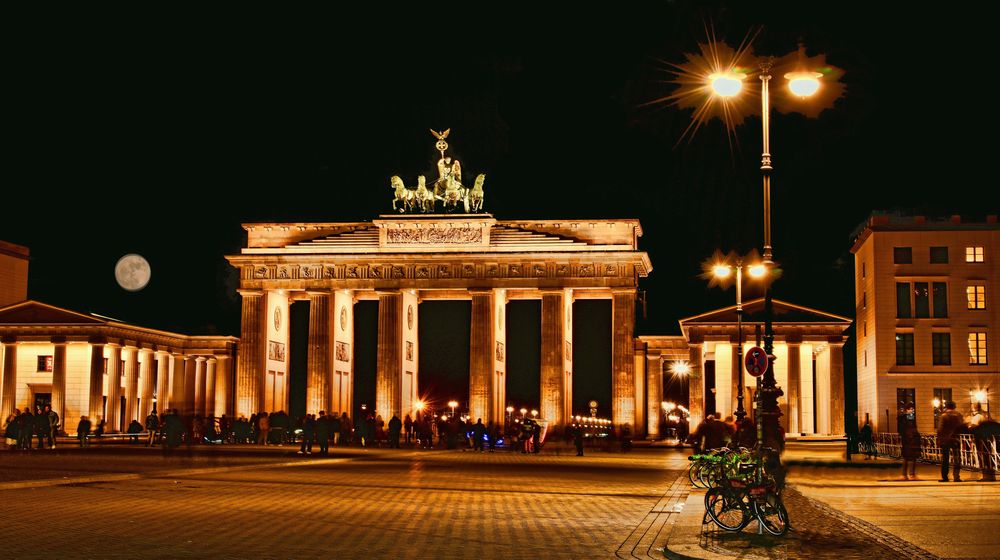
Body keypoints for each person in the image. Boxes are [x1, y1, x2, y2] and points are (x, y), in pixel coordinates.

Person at [937, 401, 965, 482]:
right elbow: (962, 426)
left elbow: (940, 429)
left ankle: (945, 477)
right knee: (957, 458)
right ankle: (956, 476)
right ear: (954, 407)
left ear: (946, 407)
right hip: (956, 439)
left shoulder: (944, 416)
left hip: (945, 440)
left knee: (945, 459)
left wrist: (939, 439)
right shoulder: (958, 415)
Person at [972, 413, 998, 482]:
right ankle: (992, 476)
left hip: (984, 444)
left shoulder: (981, 426)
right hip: (991, 445)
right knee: (990, 459)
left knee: (985, 459)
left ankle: (987, 476)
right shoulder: (993, 424)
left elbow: (976, 434)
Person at [899, 403, 921, 480]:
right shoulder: (907, 417)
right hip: (908, 440)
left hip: (910, 440)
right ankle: (909, 474)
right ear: (907, 410)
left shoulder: (908, 417)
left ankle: (908, 474)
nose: (912, 410)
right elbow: (910, 428)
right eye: (911, 409)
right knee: (909, 457)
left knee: (910, 457)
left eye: (913, 409)